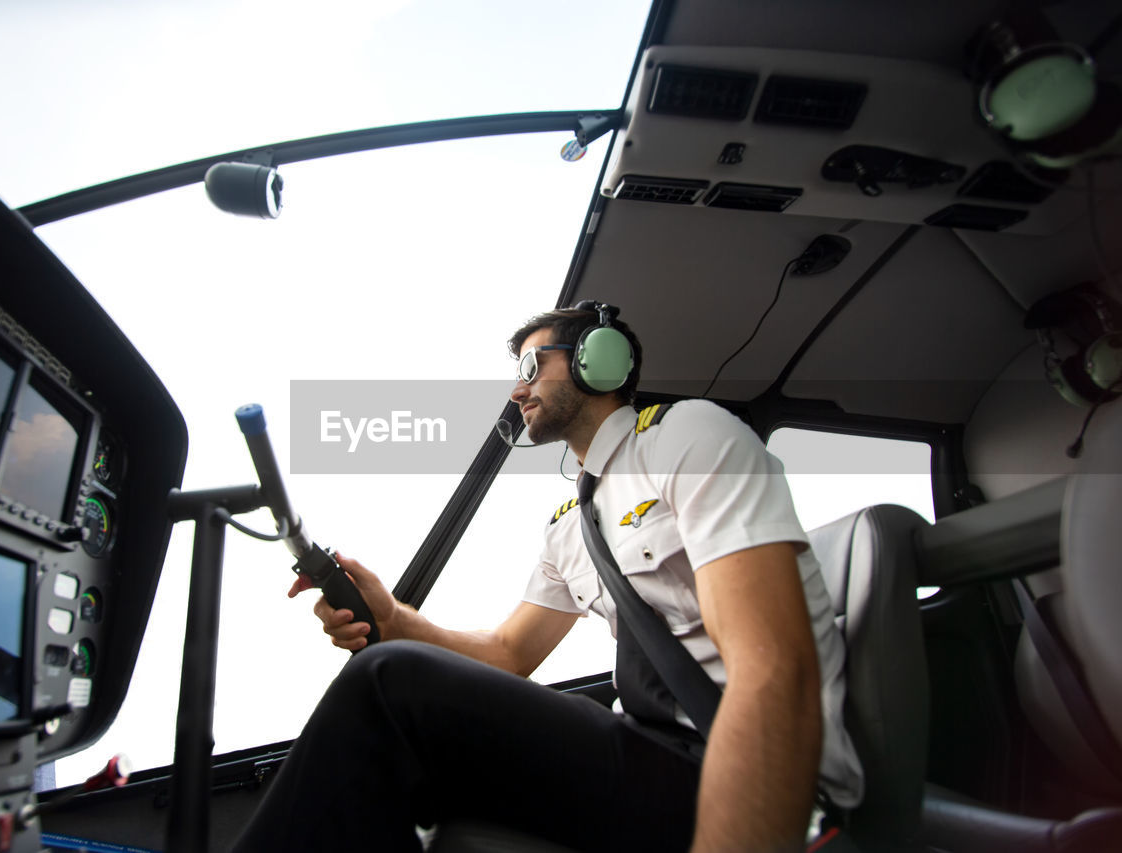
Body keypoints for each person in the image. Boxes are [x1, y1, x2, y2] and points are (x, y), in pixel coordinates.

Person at [233, 306, 863, 853]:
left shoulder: (689, 438)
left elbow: (774, 668)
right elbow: (509, 654)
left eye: (532, 369)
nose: (516, 391)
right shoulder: (570, 526)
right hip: (647, 752)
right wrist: (394, 620)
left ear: (599, 361)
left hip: (743, 768)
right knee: (393, 698)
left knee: (387, 685)